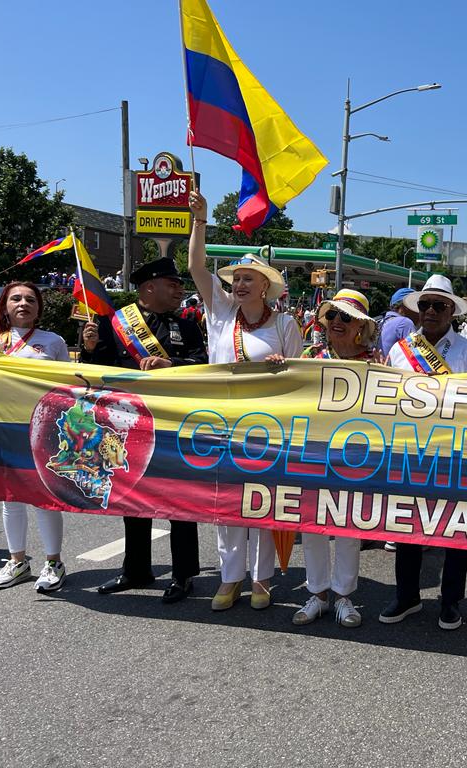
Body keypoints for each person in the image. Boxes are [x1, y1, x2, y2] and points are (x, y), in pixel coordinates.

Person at [188, 189, 303, 611]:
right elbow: (196, 267)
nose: (238, 284)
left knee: (261, 501)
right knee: (226, 506)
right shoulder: (218, 312)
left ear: (265, 288)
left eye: (247, 279)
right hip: (220, 424)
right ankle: (229, 578)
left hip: (268, 428)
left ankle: (262, 579)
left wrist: (281, 366)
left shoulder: (286, 324)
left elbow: (299, 377)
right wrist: (200, 221)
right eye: (235, 279)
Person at [80, 258, 207, 603]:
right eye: (173, 283)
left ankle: (183, 575)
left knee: (179, 501)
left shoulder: (189, 325)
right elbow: (95, 377)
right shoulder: (111, 324)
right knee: (132, 498)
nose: (180, 289)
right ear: (149, 287)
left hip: (173, 425)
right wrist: (90, 351)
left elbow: (203, 365)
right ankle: (136, 569)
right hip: (128, 425)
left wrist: (173, 364)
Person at [381, 274, 467, 630]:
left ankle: (451, 599)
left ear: (452, 311)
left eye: (439, 306)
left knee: (456, 528)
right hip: (410, 450)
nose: (430, 311)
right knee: (407, 525)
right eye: (424, 305)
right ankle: (407, 595)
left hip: (453, 452)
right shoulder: (400, 350)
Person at [0, 282, 70, 592]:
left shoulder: (53, 342)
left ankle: (53, 562)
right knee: (9, 498)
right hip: (0, 429)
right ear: (4, 305)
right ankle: (17, 562)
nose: (23, 303)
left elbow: (67, 388)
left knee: (44, 498)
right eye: (16, 298)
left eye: (30, 299)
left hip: (40, 430)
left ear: (39, 308)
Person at [292, 289, 379, 628]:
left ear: (361, 325)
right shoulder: (309, 355)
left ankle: (344, 596)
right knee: (310, 524)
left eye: (346, 317)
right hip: (312, 451)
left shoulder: (375, 363)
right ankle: (318, 594)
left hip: (356, 454)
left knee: (348, 525)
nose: (337, 323)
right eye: (332, 316)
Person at [377, 287, 418, 357]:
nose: (419, 311)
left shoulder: (382, 322)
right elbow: (417, 357)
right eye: (417, 306)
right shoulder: (405, 323)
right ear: (405, 306)